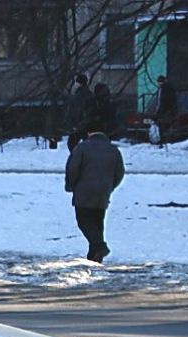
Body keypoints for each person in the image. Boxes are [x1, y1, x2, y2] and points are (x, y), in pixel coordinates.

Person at [64, 128, 125, 263]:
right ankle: (95, 257)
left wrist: (70, 185)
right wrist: (110, 187)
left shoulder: (82, 148)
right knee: (98, 222)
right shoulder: (114, 150)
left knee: (84, 220)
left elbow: (72, 168)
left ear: (89, 134)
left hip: (84, 189)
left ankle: (99, 247)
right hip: (103, 192)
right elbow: (120, 173)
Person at [64, 74, 96, 151]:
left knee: (72, 144)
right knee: (88, 145)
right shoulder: (90, 94)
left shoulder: (78, 96)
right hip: (88, 125)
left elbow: (76, 112)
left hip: (80, 126)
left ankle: (79, 160)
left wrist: (75, 125)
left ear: (79, 83)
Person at [154, 75, 178, 143]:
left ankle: (163, 140)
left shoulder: (163, 89)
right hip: (170, 110)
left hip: (165, 111)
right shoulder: (170, 88)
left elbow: (161, 101)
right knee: (167, 126)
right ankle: (167, 140)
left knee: (163, 126)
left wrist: (158, 110)